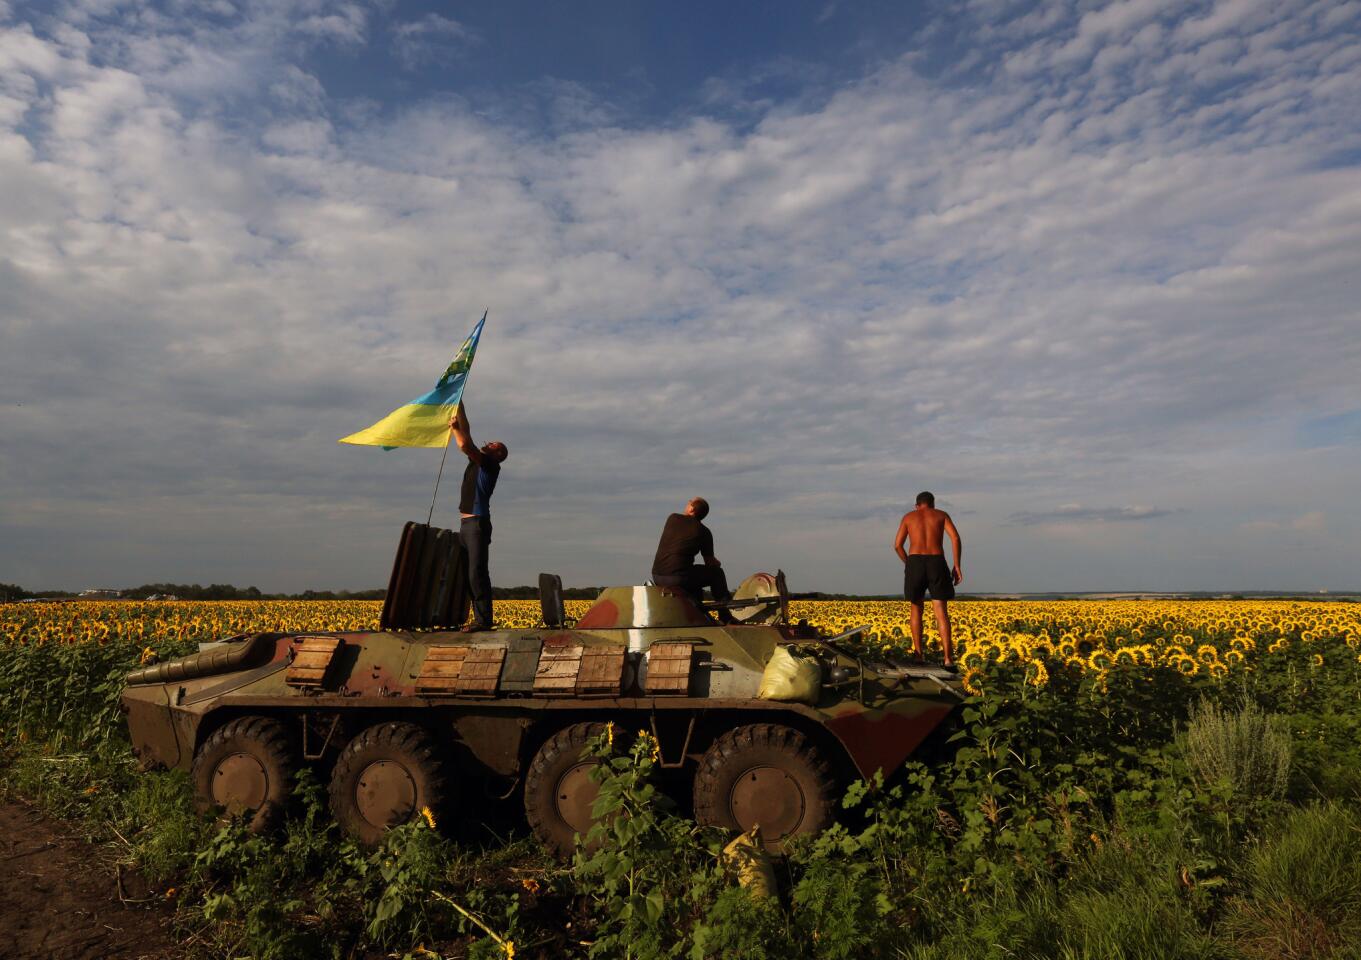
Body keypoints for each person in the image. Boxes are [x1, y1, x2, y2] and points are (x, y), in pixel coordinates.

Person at [450, 404, 508, 632]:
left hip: (477, 524)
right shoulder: (479, 462)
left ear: (498, 454)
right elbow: (468, 431)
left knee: (477, 571)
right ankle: (475, 618)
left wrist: (454, 428)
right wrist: (459, 403)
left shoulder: (490, 464)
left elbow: (464, 443)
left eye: (495, 445)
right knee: (467, 573)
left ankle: (483, 621)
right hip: (466, 523)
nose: (490, 442)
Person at [893, 491, 963, 667]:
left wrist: (908, 563)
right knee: (941, 611)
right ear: (932, 504)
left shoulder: (909, 517)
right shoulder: (941, 515)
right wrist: (957, 565)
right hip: (936, 560)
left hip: (915, 560)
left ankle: (918, 655)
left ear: (917, 505)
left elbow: (897, 545)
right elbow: (955, 538)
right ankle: (948, 659)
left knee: (916, 608)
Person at [651, 497, 734, 620]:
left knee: (694, 581)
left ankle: (696, 614)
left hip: (657, 576)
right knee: (717, 573)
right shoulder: (704, 532)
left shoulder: (672, 518)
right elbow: (709, 562)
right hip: (678, 578)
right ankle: (724, 615)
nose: (687, 504)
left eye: (689, 502)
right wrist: (718, 563)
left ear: (691, 509)